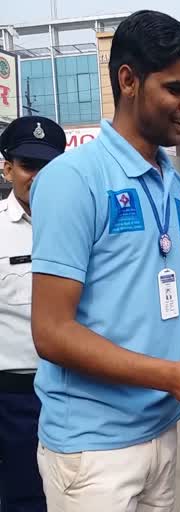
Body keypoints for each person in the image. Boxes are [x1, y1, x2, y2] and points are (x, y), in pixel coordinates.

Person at [29, 11, 180, 512]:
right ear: (128, 80)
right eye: (175, 89)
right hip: (92, 449)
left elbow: (176, 294)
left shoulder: (172, 183)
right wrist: (172, 377)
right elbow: (52, 331)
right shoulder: (73, 179)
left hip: (159, 432)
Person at [0, 116, 65, 512]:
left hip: (80, 390)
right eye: (29, 166)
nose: (39, 177)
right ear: (7, 167)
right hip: (16, 399)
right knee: (25, 501)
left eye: (50, 166)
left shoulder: (85, 221)